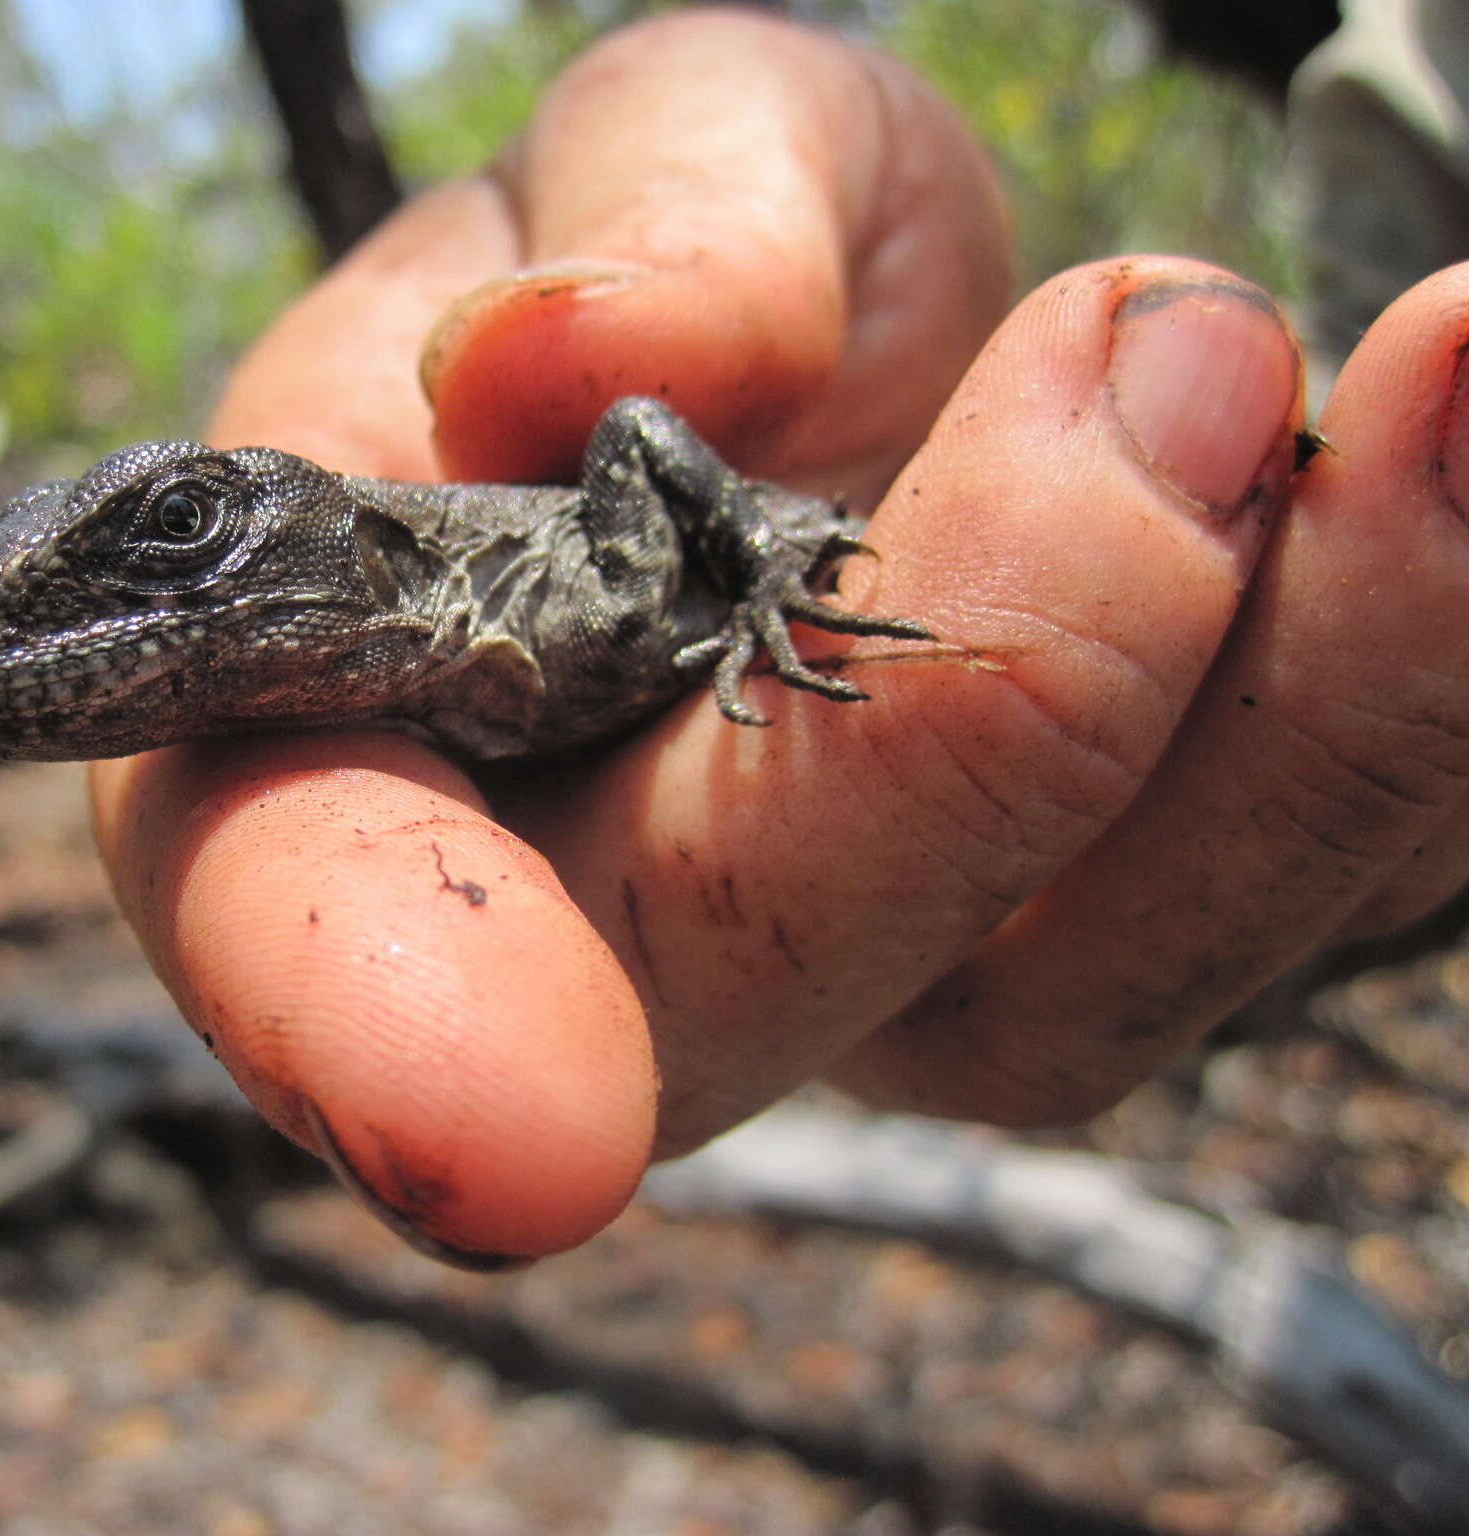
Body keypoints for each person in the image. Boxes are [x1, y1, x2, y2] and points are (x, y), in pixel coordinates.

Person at [89, 9, 1469, 1266]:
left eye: (177, 535)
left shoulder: (560, 588)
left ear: (351, 543)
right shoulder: (404, 706)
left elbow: (630, 427)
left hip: (806, 541)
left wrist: (759, 582)